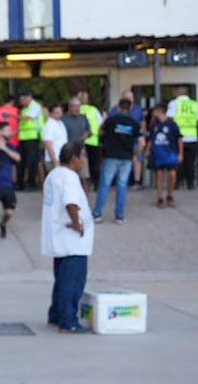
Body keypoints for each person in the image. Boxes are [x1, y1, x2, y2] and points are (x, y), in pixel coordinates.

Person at [42, 142, 94, 333]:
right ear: (73, 158)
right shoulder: (70, 177)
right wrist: (77, 223)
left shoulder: (53, 175)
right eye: (83, 156)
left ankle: (55, 314)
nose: (84, 160)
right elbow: (71, 203)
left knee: (61, 280)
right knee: (72, 283)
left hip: (58, 237)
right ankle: (68, 320)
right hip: (72, 241)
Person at [93, 98, 143, 224]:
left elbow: (100, 132)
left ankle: (97, 214)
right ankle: (119, 216)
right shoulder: (134, 123)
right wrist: (136, 154)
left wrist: (103, 142)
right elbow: (142, 142)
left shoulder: (111, 120)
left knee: (105, 185)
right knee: (122, 186)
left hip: (111, 156)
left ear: (118, 107)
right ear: (130, 108)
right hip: (126, 158)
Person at [146, 104, 184, 208]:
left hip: (170, 153)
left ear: (159, 111)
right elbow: (151, 139)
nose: (153, 113)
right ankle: (160, 198)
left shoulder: (172, 124)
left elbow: (179, 139)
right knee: (159, 176)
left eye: (155, 111)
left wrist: (180, 154)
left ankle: (170, 195)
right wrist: (147, 150)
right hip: (158, 154)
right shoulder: (154, 124)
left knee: (172, 174)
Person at [167, 86, 198, 190]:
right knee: (190, 162)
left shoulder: (174, 103)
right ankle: (190, 184)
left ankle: (177, 183)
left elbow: (170, 118)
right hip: (192, 137)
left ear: (177, 93)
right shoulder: (195, 104)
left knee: (178, 161)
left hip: (178, 138)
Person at [60, 97, 92, 189]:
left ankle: (85, 197)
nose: (76, 108)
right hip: (68, 151)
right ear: (69, 107)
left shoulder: (83, 117)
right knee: (69, 176)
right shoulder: (63, 119)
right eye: (74, 106)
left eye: (78, 106)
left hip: (81, 150)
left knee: (84, 176)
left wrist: (87, 134)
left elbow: (89, 131)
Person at [16, 89, 43, 190]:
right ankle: (20, 183)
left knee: (31, 162)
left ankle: (31, 184)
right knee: (21, 162)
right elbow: (21, 124)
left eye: (22, 99)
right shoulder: (25, 109)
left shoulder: (35, 106)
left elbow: (26, 118)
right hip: (23, 138)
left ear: (28, 97)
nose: (21, 102)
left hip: (33, 137)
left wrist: (12, 115)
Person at [78, 91, 104, 189]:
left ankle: (84, 185)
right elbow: (101, 123)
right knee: (95, 164)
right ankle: (96, 184)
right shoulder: (93, 110)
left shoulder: (77, 110)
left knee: (81, 164)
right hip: (94, 140)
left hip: (80, 141)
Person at [42, 102, 68, 174]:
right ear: (51, 113)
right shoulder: (49, 125)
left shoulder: (61, 123)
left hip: (62, 158)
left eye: (60, 112)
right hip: (53, 159)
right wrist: (55, 161)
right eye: (57, 112)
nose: (60, 114)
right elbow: (48, 144)